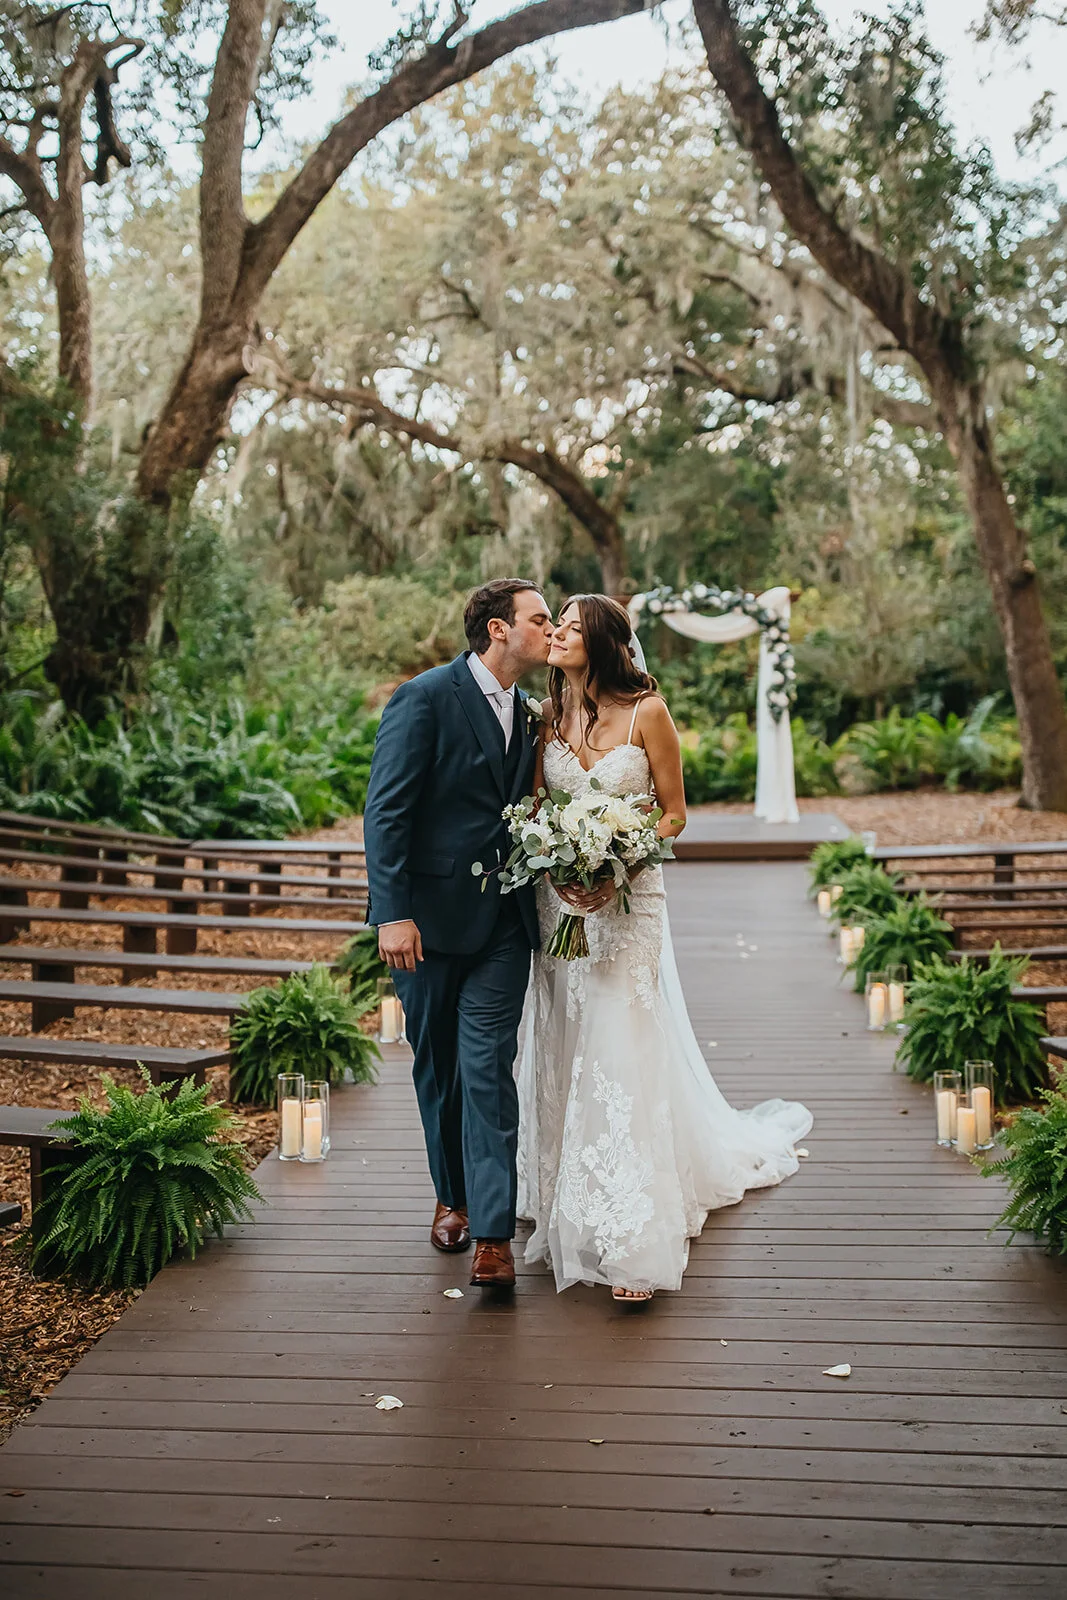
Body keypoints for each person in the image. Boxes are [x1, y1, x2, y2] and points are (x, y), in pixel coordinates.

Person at [515, 593, 813, 1303]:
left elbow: (675, 812)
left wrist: (619, 857)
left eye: (570, 625)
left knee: (621, 1043)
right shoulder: (548, 716)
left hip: (629, 900)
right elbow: (534, 807)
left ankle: (630, 1235)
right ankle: (565, 1194)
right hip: (559, 901)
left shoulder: (648, 710)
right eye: (553, 623)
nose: (556, 633)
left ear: (606, 641)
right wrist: (559, 864)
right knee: (567, 1037)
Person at [364, 578, 554, 1289]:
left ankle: (493, 1236)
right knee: (438, 1068)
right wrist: (392, 911)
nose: (550, 628)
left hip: (504, 923)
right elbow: (385, 811)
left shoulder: (535, 713)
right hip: (426, 924)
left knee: (487, 1068)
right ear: (499, 630)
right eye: (540, 618)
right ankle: (452, 1194)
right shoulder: (424, 698)